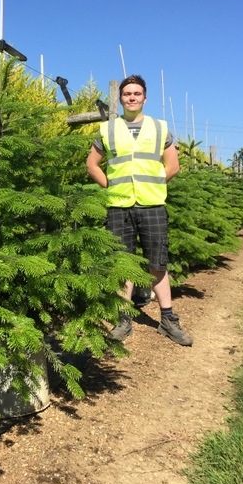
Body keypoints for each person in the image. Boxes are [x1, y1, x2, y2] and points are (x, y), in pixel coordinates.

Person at [85, 74, 192, 346]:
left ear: (144, 98)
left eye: (136, 94)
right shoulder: (108, 129)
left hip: (152, 204)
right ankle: (124, 320)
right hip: (119, 206)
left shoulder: (159, 128)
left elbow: (173, 166)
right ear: (121, 99)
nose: (131, 98)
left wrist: (154, 184)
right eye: (126, 94)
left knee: (157, 264)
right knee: (124, 264)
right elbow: (92, 165)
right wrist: (111, 186)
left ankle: (168, 320)